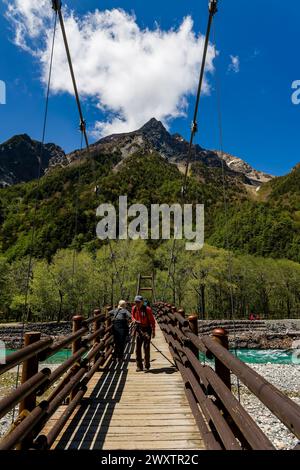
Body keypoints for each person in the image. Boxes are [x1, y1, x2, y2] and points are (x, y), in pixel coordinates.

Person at [131, 295, 156, 372]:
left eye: (138, 302)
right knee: (138, 348)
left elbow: (152, 320)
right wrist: (134, 320)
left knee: (146, 347)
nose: (137, 303)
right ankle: (139, 366)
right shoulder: (134, 308)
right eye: (135, 302)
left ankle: (147, 366)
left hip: (147, 329)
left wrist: (153, 331)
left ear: (142, 302)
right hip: (138, 328)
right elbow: (132, 316)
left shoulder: (147, 309)